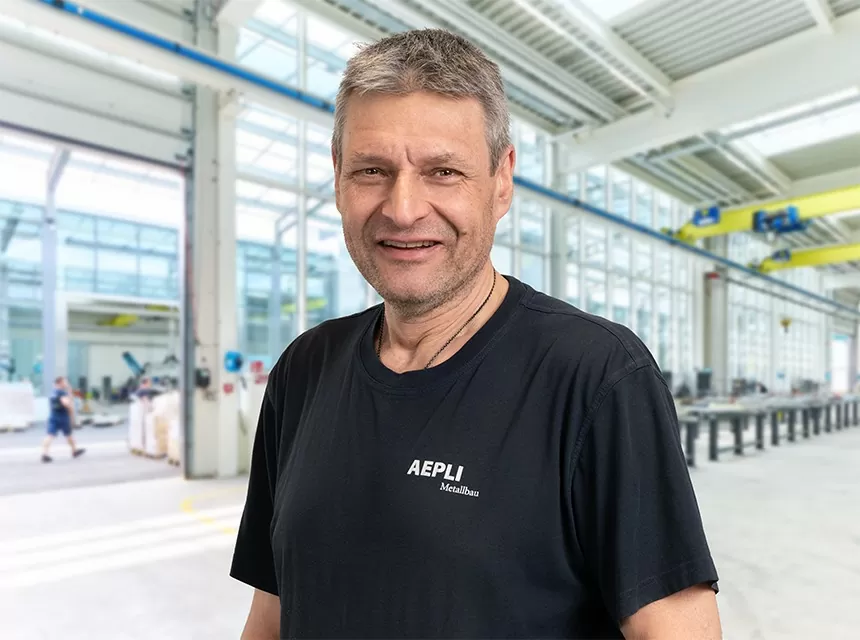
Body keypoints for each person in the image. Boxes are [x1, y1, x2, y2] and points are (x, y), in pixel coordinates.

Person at [231, 29, 721, 640]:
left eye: (443, 171)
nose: (403, 209)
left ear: (501, 180)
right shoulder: (304, 369)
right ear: (338, 179)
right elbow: (272, 612)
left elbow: (676, 629)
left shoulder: (594, 374)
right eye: (372, 170)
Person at [41, 376, 85, 463]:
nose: (66, 384)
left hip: (53, 415)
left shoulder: (53, 392)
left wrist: (69, 392)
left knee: (50, 435)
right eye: (65, 382)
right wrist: (71, 413)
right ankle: (74, 451)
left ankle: (44, 454)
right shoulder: (61, 392)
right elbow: (66, 403)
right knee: (68, 434)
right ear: (60, 383)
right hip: (63, 416)